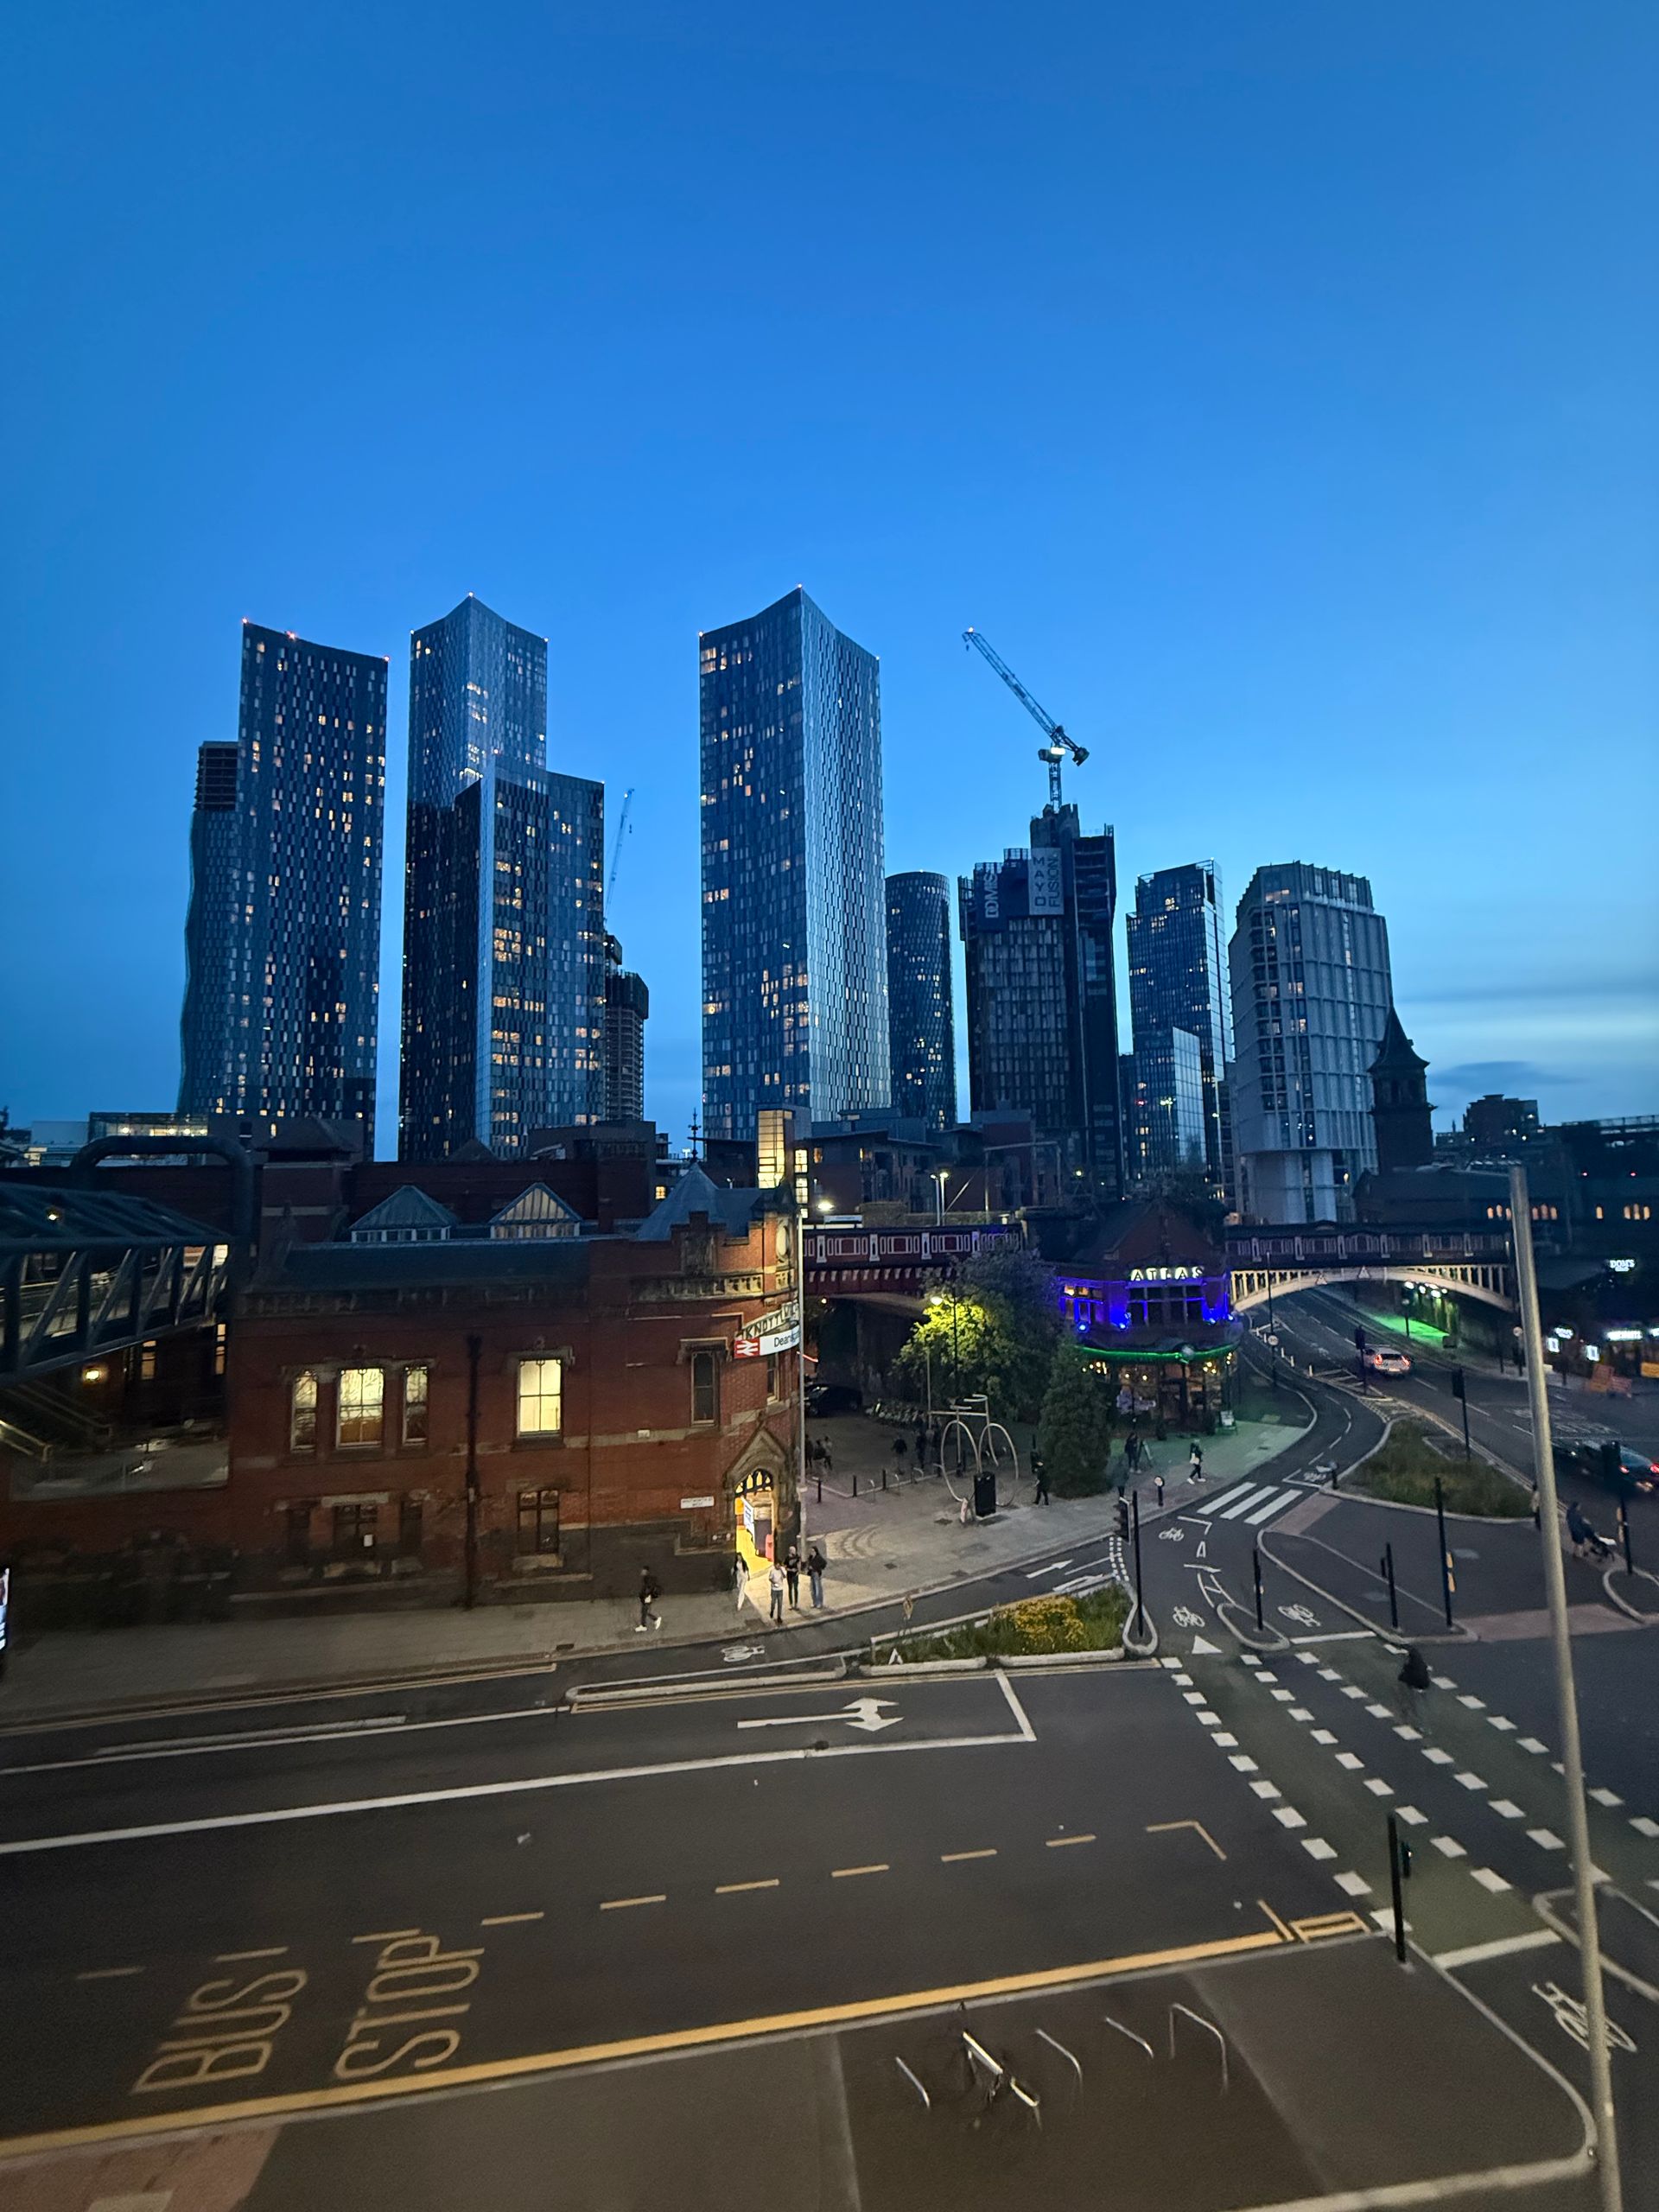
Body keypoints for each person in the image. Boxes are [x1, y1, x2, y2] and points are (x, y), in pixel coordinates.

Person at [1397, 1643, 1431, 1723]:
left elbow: (1404, 1676)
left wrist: (1402, 1678)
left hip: (1415, 1682)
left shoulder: (1410, 1666)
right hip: (1425, 1683)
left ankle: (1407, 1712)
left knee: (1406, 1694)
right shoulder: (1420, 1662)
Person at [637, 1567, 664, 1633]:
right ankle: (645, 1625)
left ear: (646, 1572)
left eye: (643, 1571)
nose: (642, 1572)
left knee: (645, 1611)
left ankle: (652, 1621)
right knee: (644, 1611)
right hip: (647, 1597)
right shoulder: (647, 1578)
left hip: (647, 1598)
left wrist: (646, 1596)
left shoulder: (647, 1579)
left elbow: (649, 1588)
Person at [806, 1544, 827, 1609]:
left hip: (816, 1573)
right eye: (811, 1551)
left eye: (813, 1551)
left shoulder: (818, 1557)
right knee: (812, 1589)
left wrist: (817, 1568)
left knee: (818, 1589)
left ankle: (819, 1603)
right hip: (811, 1574)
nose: (811, 1553)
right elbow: (808, 1564)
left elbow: (824, 1563)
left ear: (815, 1551)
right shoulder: (810, 1558)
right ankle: (814, 1602)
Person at [768, 1559, 787, 1624]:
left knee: (780, 1604)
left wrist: (782, 1570)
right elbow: (770, 1578)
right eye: (777, 1565)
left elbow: (785, 1576)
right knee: (773, 1602)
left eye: (779, 1565)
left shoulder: (782, 1570)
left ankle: (779, 1617)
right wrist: (774, 1584)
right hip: (774, 1589)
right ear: (775, 1565)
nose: (778, 1566)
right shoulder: (772, 1571)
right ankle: (772, 1610)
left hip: (780, 1589)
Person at [784, 1542, 801, 1608]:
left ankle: (796, 1603)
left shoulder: (797, 1556)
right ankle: (791, 1604)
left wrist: (798, 1571)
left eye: (795, 1550)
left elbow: (799, 1563)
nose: (795, 1552)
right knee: (790, 1589)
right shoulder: (787, 1558)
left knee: (796, 1589)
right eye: (793, 1551)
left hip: (796, 1575)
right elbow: (785, 1567)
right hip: (790, 1575)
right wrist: (791, 1570)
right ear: (790, 1551)